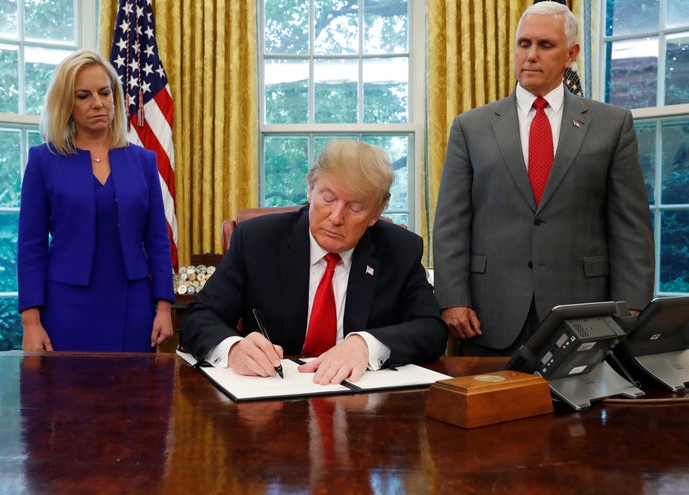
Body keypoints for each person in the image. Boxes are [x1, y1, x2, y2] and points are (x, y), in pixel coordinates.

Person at [432, 2, 654, 356]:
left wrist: (633, 304)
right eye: (524, 44)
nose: (531, 55)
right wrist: (452, 298)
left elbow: (631, 226)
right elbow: (450, 223)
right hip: (490, 316)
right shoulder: (470, 127)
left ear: (571, 54)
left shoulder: (612, 124)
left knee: (578, 412)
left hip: (584, 313)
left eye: (545, 45)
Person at [180, 139, 447, 384]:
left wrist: (365, 345)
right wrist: (234, 348)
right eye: (328, 198)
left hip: (362, 403)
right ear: (310, 190)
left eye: (355, 208)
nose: (336, 216)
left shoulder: (399, 249)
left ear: (376, 213)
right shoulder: (257, 240)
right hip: (273, 398)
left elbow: (431, 329)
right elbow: (200, 317)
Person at [18, 49, 175, 352]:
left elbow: (157, 240)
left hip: (134, 306)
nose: (98, 103)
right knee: (67, 397)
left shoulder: (143, 161)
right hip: (65, 307)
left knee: (134, 396)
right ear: (66, 103)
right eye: (83, 96)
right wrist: (31, 322)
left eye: (105, 93)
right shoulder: (43, 160)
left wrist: (165, 307)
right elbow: (30, 246)